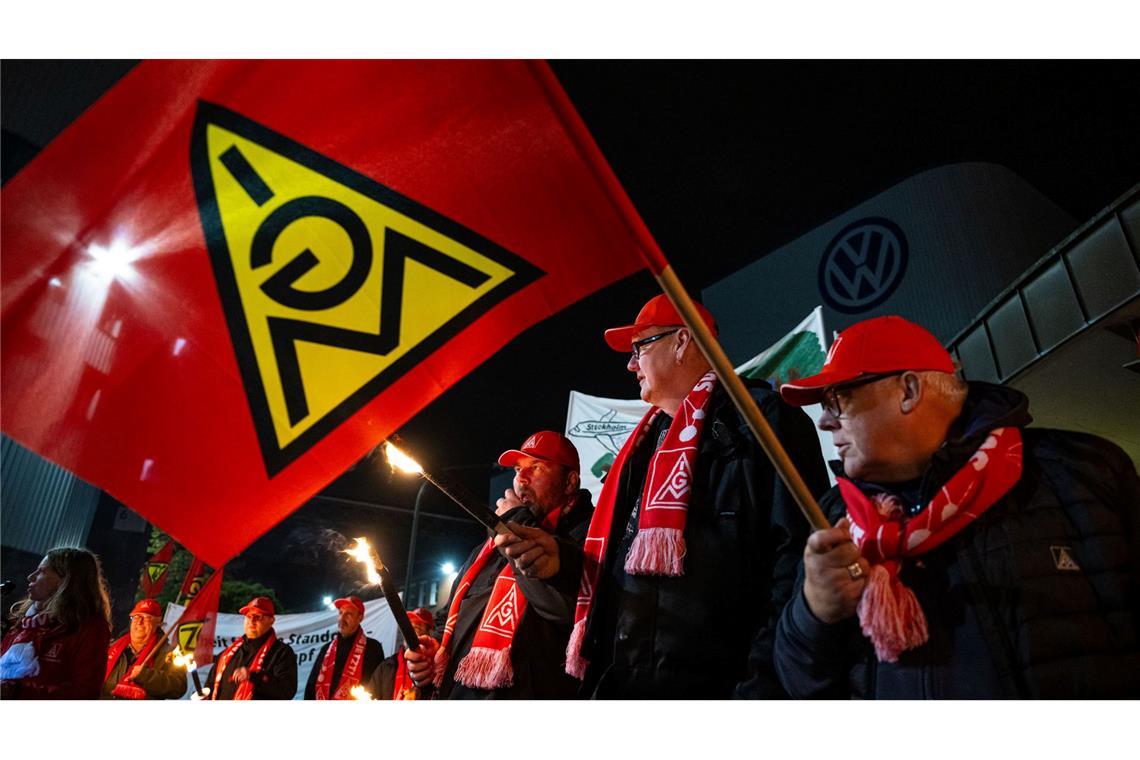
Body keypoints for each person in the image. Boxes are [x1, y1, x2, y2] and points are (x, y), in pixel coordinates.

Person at [772, 315, 1140, 698]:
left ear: (909, 391)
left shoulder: (1080, 471)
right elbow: (798, 685)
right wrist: (812, 613)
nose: (825, 422)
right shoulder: (832, 520)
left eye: (837, 399)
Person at [499, 294, 830, 698]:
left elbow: (795, 562)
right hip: (630, 685)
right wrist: (563, 562)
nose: (630, 364)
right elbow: (625, 574)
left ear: (682, 341)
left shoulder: (762, 423)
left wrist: (762, 686)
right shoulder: (640, 452)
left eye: (640, 347)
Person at [405, 431, 594, 698]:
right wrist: (431, 647)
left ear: (570, 481)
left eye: (537, 468)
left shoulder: (590, 534)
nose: (521, 478)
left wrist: (515, 521)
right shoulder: (485, 549)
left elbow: (566, 609)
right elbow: (448, 618)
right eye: (518, 469)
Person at [1, 547, 113, 699]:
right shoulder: (21, 622)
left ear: (67, 580)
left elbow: (85, 693)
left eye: (42, 572)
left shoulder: (88, 628)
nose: (30, 577)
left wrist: (18, 691)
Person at [201, 596, 297, 700]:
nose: (251, 621)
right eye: (248, 616)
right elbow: (210, 684)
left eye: (258, 616)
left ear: (271, 620)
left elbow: (286, 691)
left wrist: (254, 676)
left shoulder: (281, 653)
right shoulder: (227, 654)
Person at [102, 598, 186, 699]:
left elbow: (179, 687)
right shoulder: (111, 648)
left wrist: (146, 676)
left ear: (158, 622)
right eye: (136, 617)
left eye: (146, 618)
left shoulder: (169, 654)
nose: (140, 622)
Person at [303, 595, 384, 699]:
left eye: (348, 614)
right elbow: (311, 687)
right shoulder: (326, 649)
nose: (342, 618)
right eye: (340, 613)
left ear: (360, 618)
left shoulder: (373, 648)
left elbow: (375, 690)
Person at [366, 607, 434, 700]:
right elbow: (370, 695)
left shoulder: (434, 669)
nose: (408, 632)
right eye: (408, 627)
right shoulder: (387, 666)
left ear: (429, 633)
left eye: (416, 628)